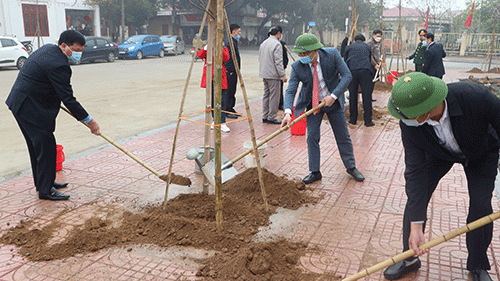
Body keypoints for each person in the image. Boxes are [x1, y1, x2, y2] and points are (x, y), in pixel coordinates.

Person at [383, 72, 500, 281]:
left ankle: (478, 264)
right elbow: (415, 171)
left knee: (481, 206)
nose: (406, 121)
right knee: (415, 200)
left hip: (481, 152)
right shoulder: (410, 122)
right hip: (439, 153)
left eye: (410, 117)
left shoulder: (476, 97)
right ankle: (410, 257)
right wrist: (416, 226)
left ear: (424, 111)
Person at [5, 30, 100, 201]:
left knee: (37, 147)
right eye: (76, 50)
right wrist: (90, 122)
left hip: (21, 102)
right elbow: (68, 99)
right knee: (46, 147)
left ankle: (43, 182)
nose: (78, 54)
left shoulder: (49, 49)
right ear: (64, 46)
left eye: (81, 51)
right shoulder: (59, 65)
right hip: (29, 108)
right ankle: (46, 190)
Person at [281, 34, 365, 184]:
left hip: (333, 102)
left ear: (315, 50)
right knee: (312, 137)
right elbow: (291, 90)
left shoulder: (331, 55)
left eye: (305, 54)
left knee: (343, 135)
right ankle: (315, 171)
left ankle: (351, 167)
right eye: (299, 54)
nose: (302, 57)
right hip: (313, 105)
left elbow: (346, 76)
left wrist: (333, 96)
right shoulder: (297, 66)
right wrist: (287, 112)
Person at [197, 44, 231, 132]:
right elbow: (199, 55)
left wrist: (220, 48)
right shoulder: (207, 49)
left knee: (222, 100)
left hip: (221, 78)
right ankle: (214, 120)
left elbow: (226, 58)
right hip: (210, 78)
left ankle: (222, 122)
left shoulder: (224, 48)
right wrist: (206, 48)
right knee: (212, 100)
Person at [343, 34, 375, 126]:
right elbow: (369, 59)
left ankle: (353, 119)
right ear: (363, 40)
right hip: (365, 71)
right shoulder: (368, 47)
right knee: (367, 96)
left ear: (354, 40)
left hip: (352, 72)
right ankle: (368, 121)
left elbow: (345, 61)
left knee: (353, 95)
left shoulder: (348, 47)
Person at [259, 26, 287, 124]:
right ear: (279, 33)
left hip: (264, 73)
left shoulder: (263, 43)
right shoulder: (277, 44)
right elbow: (278, 62)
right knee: (274, 96)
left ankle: (265, 116)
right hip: (273, 75)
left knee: (266, 95)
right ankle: (271, 117)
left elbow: (260, 59)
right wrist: (283, 75)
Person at [224, 24, 241, 119]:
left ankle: (231, 107)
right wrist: (230, 70)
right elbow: (228, 58)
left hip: (234, 70)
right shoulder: (229, 42)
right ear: (233, 32)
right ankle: (227, 109)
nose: (240, 33)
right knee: (229, 90)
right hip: (230, 71)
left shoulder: (234, 41)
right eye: (239, 31)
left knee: (233, 90)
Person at [367, 29, 383, 102]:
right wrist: (375, 64)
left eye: (380, 36)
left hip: (376, 65)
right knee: (370, 82)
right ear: (373, 35)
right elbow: (369, 56)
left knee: (373, 82)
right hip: (371, 66)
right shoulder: (370, 43)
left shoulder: (376, 43)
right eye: (377, 36)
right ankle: (368, 97)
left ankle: (370, 96)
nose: (379, 38)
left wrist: (379, 59)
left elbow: (375, 54)